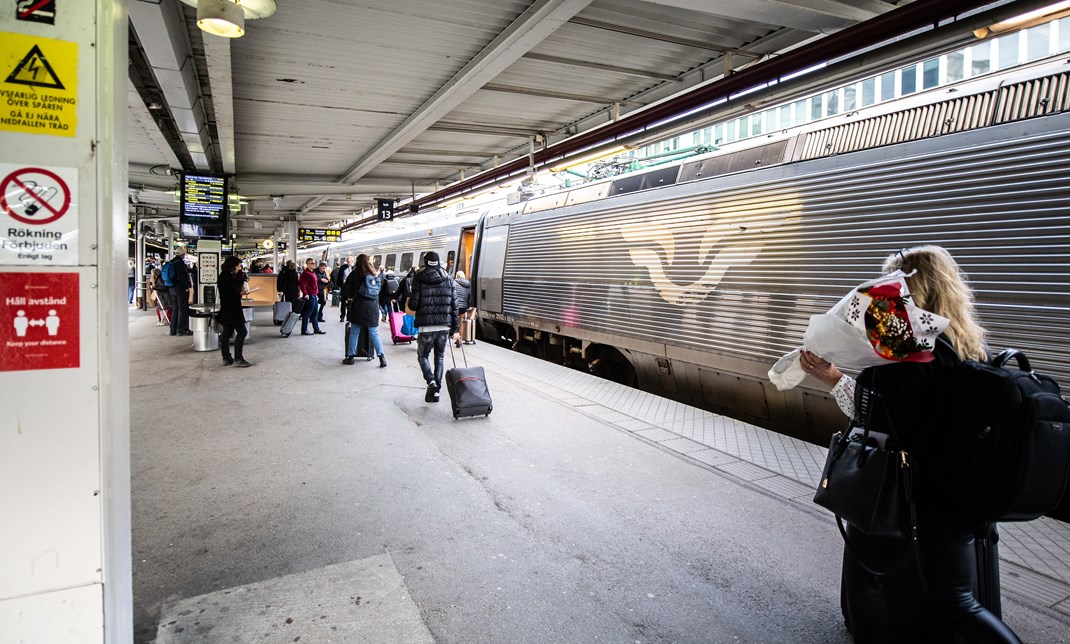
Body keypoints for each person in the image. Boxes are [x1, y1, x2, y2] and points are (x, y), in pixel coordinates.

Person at [802, 246, 1021, 643]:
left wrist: (834, 378)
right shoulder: (971, 350)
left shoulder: (900, 364)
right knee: (954, 601)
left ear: (900, 296)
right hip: (962, 501)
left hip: (908, 502)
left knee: (903, 588)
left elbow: (873, 418)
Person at [409, 251, 458, 403]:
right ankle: (436, 390)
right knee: (440, 357)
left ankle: (431, 383)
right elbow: (454, 307)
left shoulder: (419, 278)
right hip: (444, 325)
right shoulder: (449, 280)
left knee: (423, 356)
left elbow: (413, 304)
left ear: (425, 262)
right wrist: (455, 329)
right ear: (438, 262)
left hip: (426, 326)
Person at [341, 254, 387, 367]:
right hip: (372, 307)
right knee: (374, 333)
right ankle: (382, 358)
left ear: (357, 262)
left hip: (359, 306)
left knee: (354, 332)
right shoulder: (374, 274)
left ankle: (350, 357)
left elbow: (346, 290)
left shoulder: (355, 274)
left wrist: (346, 299)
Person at [216, 255, 252, 367]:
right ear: (232, 266)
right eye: (238, 266)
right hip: (232, 309)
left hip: (227, 309)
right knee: (242, 332)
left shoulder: (225, 276)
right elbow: (229, 293)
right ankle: (238, 359)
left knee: (227, 333)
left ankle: (226, 358)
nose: (240, 268)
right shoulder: (225, 277)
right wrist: (240, 294)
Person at [167, 247, 193, 336]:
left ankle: (172, 329)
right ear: (182, 254)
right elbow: (182, 276)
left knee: (175, 308)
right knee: (182, 308)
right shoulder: (180, 263)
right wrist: (187, 286)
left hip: (172, 288)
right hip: (180, 289)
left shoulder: (172, 261)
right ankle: (180, 329)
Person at [298, 258, 326, 336]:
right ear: (307, 264)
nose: (313, 264)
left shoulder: (312, 273)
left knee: (315, 313)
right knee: (307, 313)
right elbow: (303, 284)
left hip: (314, 295)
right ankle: (304, 330)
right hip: (310, 295)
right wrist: (305, 293)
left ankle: (316, 329)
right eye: (311, 263)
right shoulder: (306, 273)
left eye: (314, 263)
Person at [453, 270, 472, 348]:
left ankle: (454, 335)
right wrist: (468, 306)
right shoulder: (468, 284)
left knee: (454, 322)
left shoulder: (454, 282)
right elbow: (469, 296)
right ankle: (459, 339)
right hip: (463, 306)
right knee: (460, 323)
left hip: (455, 306)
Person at [335, 256, 355, 321]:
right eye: (348, 261)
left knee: (350, 302)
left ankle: (349, 317)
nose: (350, 262)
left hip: (352, 288)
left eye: (351, 261)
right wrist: (342, 282)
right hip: (344, 287)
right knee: (343, 302)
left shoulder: (355, 268)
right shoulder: (343, 267)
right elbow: (339, 277)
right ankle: (342, 316)